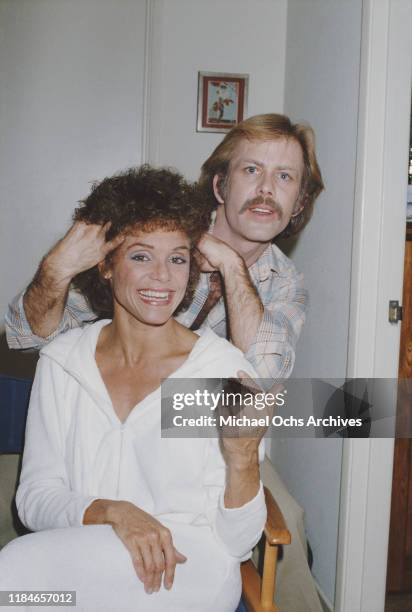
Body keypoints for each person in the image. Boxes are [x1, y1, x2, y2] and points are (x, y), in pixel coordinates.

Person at [0, 166, 267, 612]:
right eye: (141, 256)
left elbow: (237, 544)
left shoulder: (221, 369)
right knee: (12, 582)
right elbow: (34, 499)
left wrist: (243, 464)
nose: (162, 277)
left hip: (186, 568)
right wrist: (112, 511)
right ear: (105, 265)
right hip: (90, 553)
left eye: (178, 258)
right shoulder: (63, 362)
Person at [5, 113, 324, 382]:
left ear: (299, 203)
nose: (266, 188)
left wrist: (229, 264)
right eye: (251, 170)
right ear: (220, 186)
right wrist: (55, 270)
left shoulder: (286, 284)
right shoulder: (155, 231)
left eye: (284, 176)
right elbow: (27, 337)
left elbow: (262, 380)